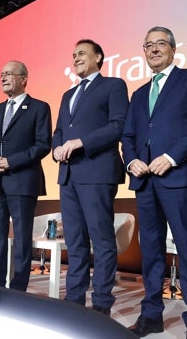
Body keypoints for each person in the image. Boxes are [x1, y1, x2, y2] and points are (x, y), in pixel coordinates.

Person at [122, 27, 187, 339]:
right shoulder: (139, 94)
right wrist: (131, 160)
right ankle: (151, 315)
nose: (154, 49)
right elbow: (129, 136)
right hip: (144, 182)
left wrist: (171, 157)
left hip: (180, 178)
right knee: (151, 251)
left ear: (173, 49)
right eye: (148, 45)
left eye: (161, 43)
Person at [52, 39, 129, 315]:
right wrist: (57, 147)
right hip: (68, 175)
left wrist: (82, 141)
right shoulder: (67, 95)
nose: (76, 58)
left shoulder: (113, 85)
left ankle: (101, 305)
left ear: (98, 56)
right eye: (73, 55)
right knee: (74, 241)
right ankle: (74, 300)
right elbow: (59, 131)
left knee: (102, 239)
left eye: (82, 53)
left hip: (97, 171)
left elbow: (118, 125)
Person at [0, 60, 52, 291]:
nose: (3, 77)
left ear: (23, 79)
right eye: (1, 74)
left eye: (9, 74)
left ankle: (18, 290)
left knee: (22, 238)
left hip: (22, 181)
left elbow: (43, 145)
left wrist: (11, 161)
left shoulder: (39, 107)